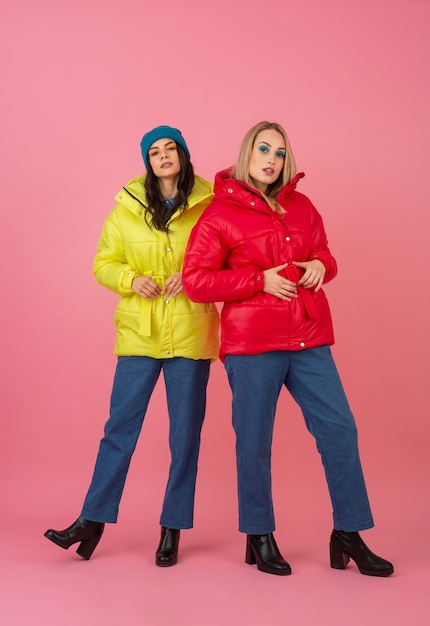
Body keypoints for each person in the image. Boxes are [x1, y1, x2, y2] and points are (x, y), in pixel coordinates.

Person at [182, 121, 393, 577]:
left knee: (339, 430)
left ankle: (349, 533)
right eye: (264, 149)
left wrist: (321, 264)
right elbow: (196, 282)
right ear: (247, 153)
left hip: (309, 336)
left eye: (279, 152)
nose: (272, 159)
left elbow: (326, 255)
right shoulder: (219, 214)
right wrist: (258, 280)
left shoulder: (302, 206)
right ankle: (259, 534)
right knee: (254, 441)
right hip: (253, 341)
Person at [45, 125, 219, 566]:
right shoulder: (126, 207)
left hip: (190, 333)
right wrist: (129, 279)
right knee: (119, 431)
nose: (163, 156)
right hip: (138, 334)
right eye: (154, 151)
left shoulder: (211, 205)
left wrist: (197, 275)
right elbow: (104, 262)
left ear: (182, 154)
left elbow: (227, 256)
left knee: (184, 436)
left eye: (170, 149)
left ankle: (171, 527)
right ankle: (91, 521)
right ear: (147, 160)